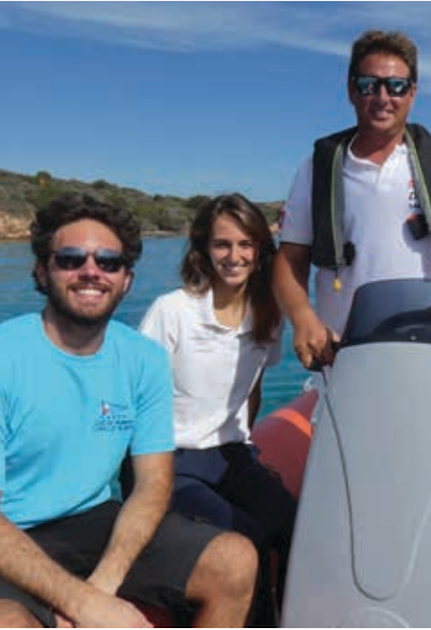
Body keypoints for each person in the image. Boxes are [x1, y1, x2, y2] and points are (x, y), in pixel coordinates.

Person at [0, 193, 257, 627]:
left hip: (92, 521)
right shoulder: (7, 355)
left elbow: (153, 483)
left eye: (108, 262)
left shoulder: (144, 358)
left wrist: (104, 583)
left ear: (126, 281)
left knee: (235, 560)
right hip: (12, 529)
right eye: (70, 259)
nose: (91, 271)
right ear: (43, 272)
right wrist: (82, 603)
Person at [274, 29, 431, 369]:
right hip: (345, 354)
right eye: (369, 85)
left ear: (412, 92)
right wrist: (303, 317)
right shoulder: (317, 168)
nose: (383, 97)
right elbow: (290, 259)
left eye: (396, 86)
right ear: (352, 91)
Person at [139, 193, 295, 625]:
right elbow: (135, 397)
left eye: (246, 244)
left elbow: (253, 387)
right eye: (222, 244)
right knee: (247, 539)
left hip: (231, 457)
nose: (234, 256)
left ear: (260, 250)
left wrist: (245, 445)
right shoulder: (173, 311)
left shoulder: (268, 314)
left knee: (294, 525)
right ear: (204, 249)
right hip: (172, 460)